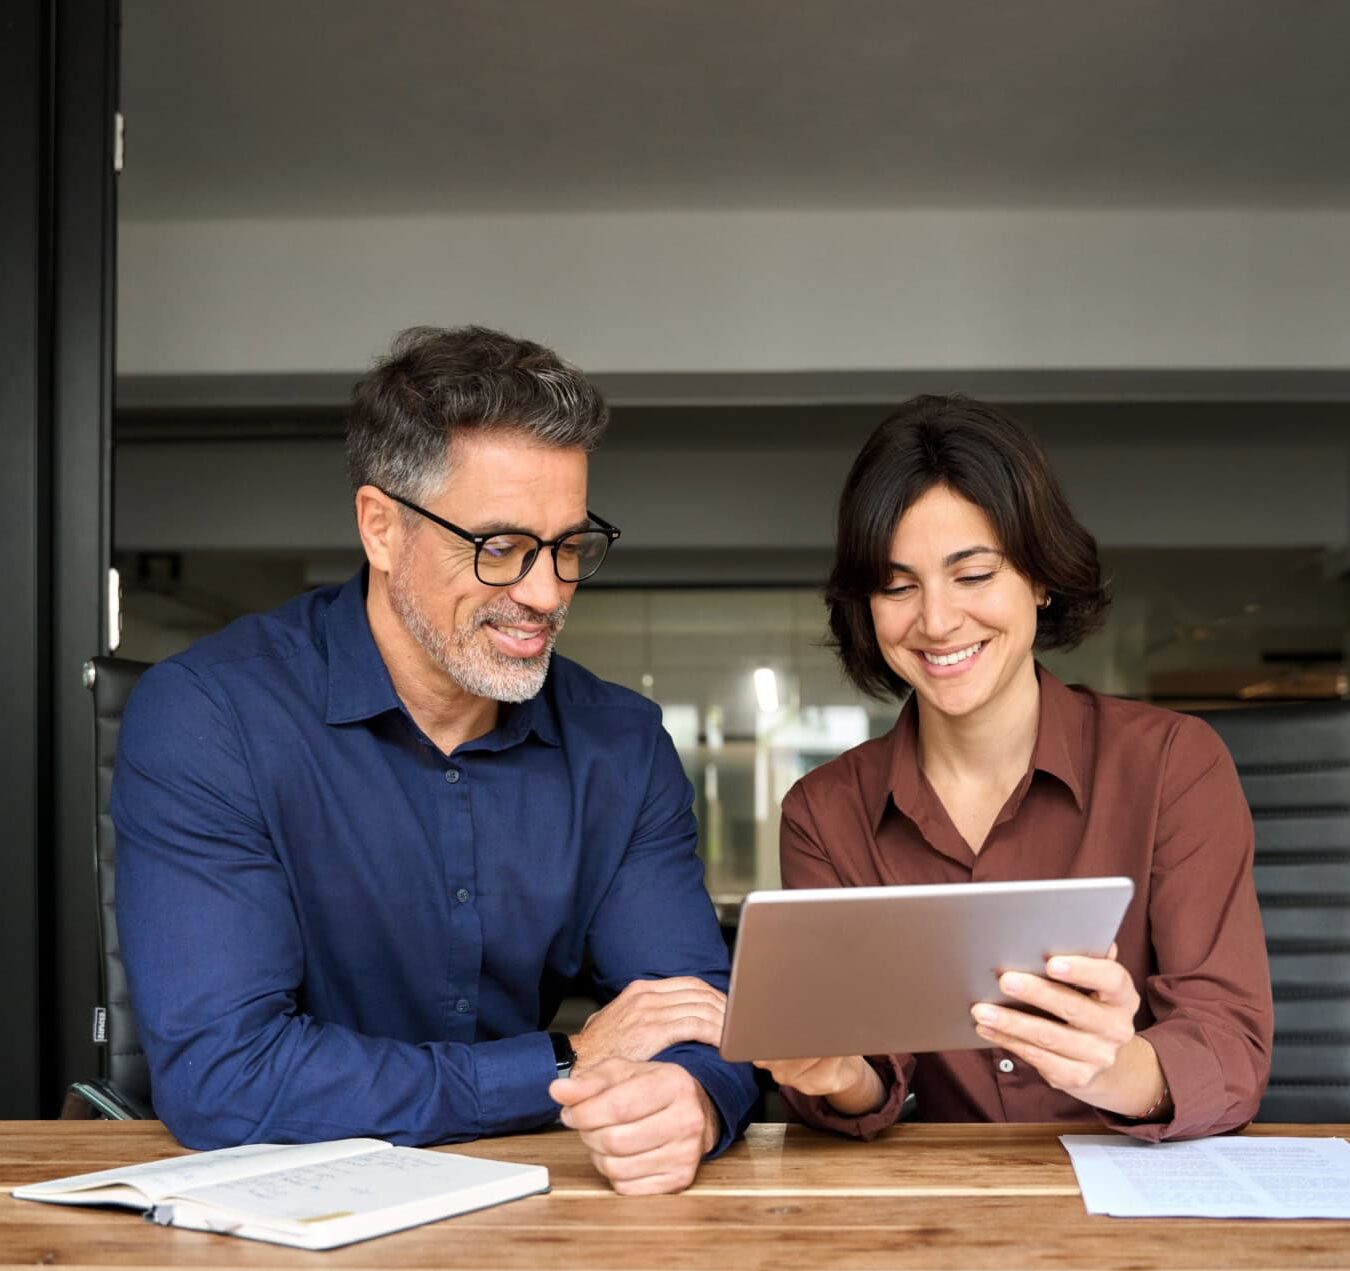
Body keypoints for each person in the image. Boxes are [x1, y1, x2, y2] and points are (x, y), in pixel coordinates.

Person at [113, 324, 756, 1195]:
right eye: (500, 548)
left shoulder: (620, 744)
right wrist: (563, 1061)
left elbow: (703, 1018)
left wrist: (691, 1100)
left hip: (538, 1212)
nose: (546, 592)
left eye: (569, 546)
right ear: (381, 528)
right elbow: (226, 1078)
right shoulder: (210, 718)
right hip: (275, 1223)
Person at [756, 395, 1273, 1141]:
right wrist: (838, 1077)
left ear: (1040, 577)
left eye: (972, 575)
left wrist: (1115, 1069)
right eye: (898, 586)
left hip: (1143, 1194)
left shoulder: (1172, 766)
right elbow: (865, 1075)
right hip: (946, 1197)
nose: (937, 622)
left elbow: (1229, 1046)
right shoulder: (823, 811)